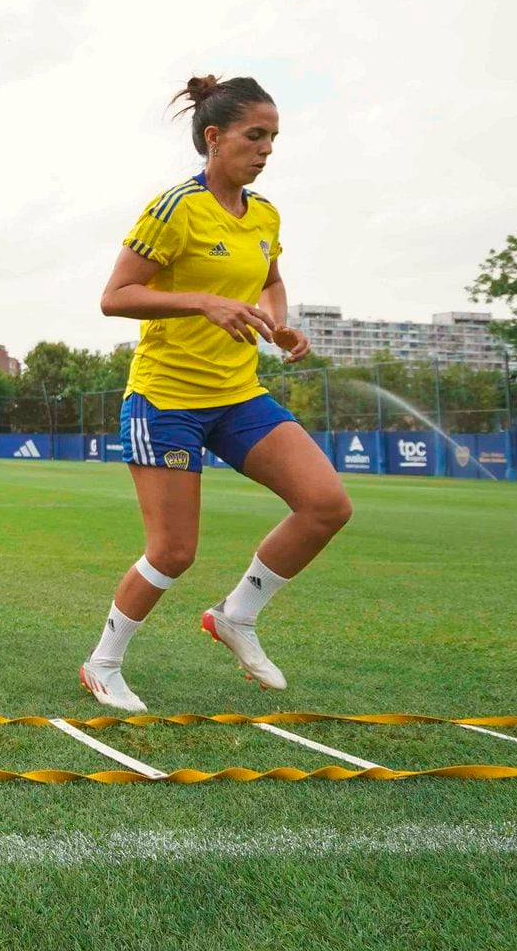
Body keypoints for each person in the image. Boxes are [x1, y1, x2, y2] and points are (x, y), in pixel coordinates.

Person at [78, 74, 353, 714]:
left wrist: (279, 321)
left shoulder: (265, 214)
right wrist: (200, 302)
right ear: (214, 137)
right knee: (173, 551)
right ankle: (102, 663)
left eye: (273, 139)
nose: (266, 151)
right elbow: (115, 297)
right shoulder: (175, 208)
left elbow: (270, 279)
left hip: (238, 395)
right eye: (255, 137)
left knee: (326, 504)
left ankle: (237, 615)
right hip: (166, 401)